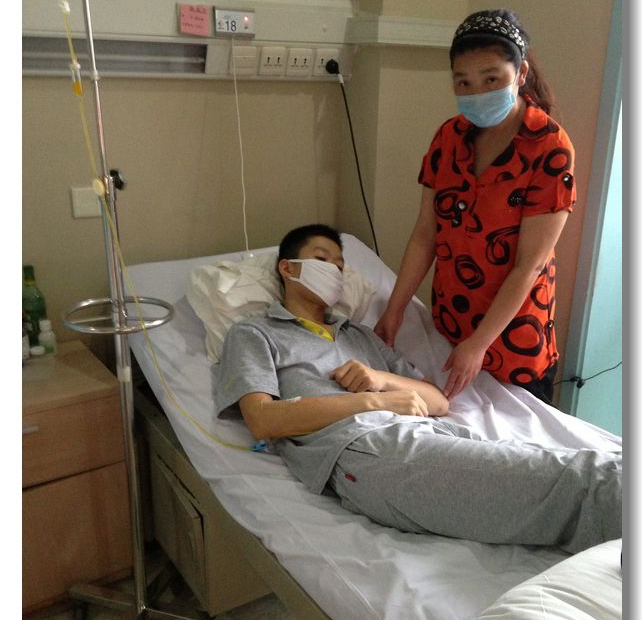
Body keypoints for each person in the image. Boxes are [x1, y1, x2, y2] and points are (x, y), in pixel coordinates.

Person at [215, 224, 621, 554]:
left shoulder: (358, 335)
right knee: (588, 481)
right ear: (288, 269)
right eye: (322, 260)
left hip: (428, 434)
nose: (335, 272)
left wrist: (383, 380)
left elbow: (437, 401)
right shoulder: (254, 333)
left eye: (340, 265)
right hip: (365, 452)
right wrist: (373, 401)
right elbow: (263, 420)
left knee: (587, 471)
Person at [375, 9, 576, 404]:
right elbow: (425, 236)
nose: (476, 92)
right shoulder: (449, 137)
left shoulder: (550, 149)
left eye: (491, 79)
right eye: (463, 82)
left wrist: (479, 343)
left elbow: (529, 265)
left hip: (514, 339)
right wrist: (396, 308)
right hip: (450, 323)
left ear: (520, 74)